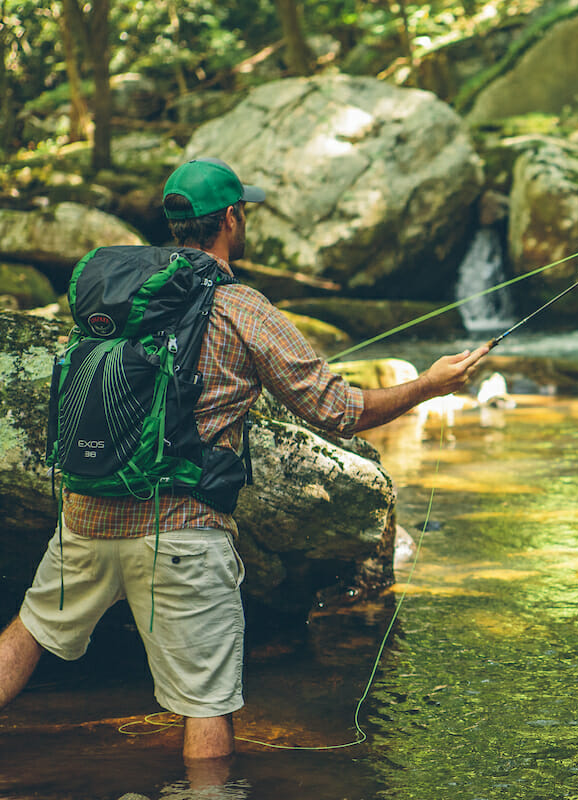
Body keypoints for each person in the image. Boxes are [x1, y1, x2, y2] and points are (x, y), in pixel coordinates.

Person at [0, 156, 490, 763]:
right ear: (231, 218)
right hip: (182, 532)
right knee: (207, 706)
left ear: (176, 223)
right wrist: (428, 386)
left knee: (28, 633)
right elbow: (337, 411)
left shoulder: (119, 291)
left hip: (86, 512)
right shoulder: (244, 308)